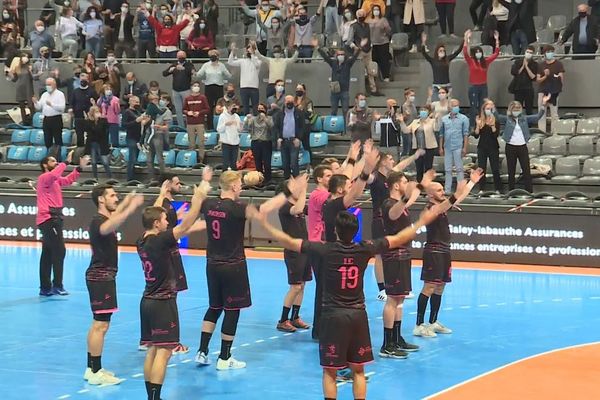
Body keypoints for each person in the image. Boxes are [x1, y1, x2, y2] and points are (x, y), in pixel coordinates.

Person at [255, 203, 440, 400]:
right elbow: (400, 238)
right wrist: (422, 220)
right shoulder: (364, 248)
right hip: (357, 315)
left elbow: (289, 241)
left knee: (329, 372)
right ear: (356, 231)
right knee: (358, 371)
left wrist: (264, 223)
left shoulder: (324, 249)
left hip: (332, 317)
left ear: (335, 230)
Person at [194, 171, 297, 369]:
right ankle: (224, 357)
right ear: (233, 186)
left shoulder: (208, 205)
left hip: (212, 264)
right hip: (233, 265)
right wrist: (287, 193)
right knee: (232, 310)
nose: (241, 186)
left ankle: (202, 350)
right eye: (239, 184)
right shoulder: (237, 208)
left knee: (214, 307)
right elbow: (265, 209)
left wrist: (205, 180)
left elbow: (198, 196)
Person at [138, 182, 209, 400]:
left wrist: (160, 197)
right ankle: (156, 397)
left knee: (152, 349)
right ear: (157, 224)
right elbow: (186, 225)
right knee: (164, 351)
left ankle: (150, 396)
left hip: (147, 300)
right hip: (162, 303)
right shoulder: (160, 241)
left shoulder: (142, 239)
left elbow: (156, 216)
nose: (168, 221)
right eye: (165, 219)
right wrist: (198, 198)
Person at [84, 185, 144, 385]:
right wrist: (130, 208)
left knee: (98, 324)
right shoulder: (98, 221)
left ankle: (91, 368)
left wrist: (127, 200)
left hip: (102, 277)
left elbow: (115, 216)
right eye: (112, 196)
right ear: (101, 200)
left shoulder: (104, 217)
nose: (115, 198)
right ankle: (95, 371)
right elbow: (111, 224)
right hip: (101, 277)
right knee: (101, 325)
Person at [413, 168, 483, 337]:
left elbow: (456, 199)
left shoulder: (443, 205)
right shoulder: (430, 208)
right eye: (438, 190)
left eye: (443, 189)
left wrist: (472, 182)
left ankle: (433, 321)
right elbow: (449, 202)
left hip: (444, 251)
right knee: (429, 286)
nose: (442, 192)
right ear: (430, 194)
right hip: (433, 251)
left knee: (441, 286)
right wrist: (455, 194)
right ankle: (419, 324)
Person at [379, 170, 433, 357]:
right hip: (393, 256)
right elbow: (394, 214)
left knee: (400, 298)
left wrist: (422, 184)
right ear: (396, 185)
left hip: (403, 255)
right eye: (404, 182)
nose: (406, 184)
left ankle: (396, 337)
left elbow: (409, 199)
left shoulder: (400, 203)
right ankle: (387, 344)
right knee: (393, 298)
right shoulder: (389, 204)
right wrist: (407, 196)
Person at [368, 151, 424, 302]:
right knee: (380, 254)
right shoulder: (375, 177)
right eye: (390, 158)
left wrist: (415, 155)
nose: (393, 161)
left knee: (397, 252)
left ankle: (398, 285)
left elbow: (402, 165)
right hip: (379, 218)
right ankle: (382, 289)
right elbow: (365, 176)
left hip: (394, 214)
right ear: (382, 162)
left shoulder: (392, 176)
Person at [37, 151, 90, 296]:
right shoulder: (44, 178)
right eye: (52, 161)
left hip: (54, 219)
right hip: (48, 219)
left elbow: (67, 180)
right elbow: (55, 174)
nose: (55, 163)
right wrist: (65, 162)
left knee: (47, 253)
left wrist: (79, 168)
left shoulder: (54, 180)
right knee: (59, 251)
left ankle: (45, 287)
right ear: (45, 165)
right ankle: (57, 285)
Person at [276, 175, 312, 332]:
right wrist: (303, 188)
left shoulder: (299, 205)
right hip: (293, 252)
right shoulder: (285, 206)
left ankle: (295, 317)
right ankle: (283, 320)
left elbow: (312, 209)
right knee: (295, 286)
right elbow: (296, 209)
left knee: (302, 285)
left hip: (305, 249)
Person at [496, 97, 549, 193]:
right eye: (514, 109)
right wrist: (491, 108)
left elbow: (537, 116)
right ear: (511, 110)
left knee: (526, 170)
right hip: (510, 147)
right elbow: (496, 116)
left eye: (518, 109)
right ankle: (511, 191)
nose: (516, 111)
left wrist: (543, 105)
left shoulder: (524, 119)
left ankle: (529, 192)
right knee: (511, 171)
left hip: (522, 147)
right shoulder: (507, 119)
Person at [315, 39, 359, 123]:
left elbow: (354, 57)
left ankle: (345, 129)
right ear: (336, 55)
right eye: (339, 54)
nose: (341, 56)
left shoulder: (348, 63)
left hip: (344, 91)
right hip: (334, 92)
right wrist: (318, 48)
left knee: (345, 111)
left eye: (342, 54)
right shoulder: (333, 63)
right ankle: (334, 128)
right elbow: (325, 57)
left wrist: (358, 49)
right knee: (333, 111)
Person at [463, 29, 500, 126]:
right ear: (474, 53)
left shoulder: (486, 62)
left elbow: (495, 54)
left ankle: (482, 123)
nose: (479, 53)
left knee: (483, 106)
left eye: (480, 52)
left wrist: (497, 41)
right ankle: (472, 126)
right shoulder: (471, 61)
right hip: (474, 87)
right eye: (477, 52)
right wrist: (466, 39)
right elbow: (465, 53)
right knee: (473, 107)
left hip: (483, 86)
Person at [399, 106, 438, 182]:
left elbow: (437, 128)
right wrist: (402, 122)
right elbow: (406, 131)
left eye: (425, 110)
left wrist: (436, 119)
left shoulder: (432, 121)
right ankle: (419, 185)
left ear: (428, 112)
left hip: (429, 148)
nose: (423, 112)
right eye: (422, 110)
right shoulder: (415, 122)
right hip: (417, 149)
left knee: (428, 168)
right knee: (419, 168)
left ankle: (428, 185)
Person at [420, 32, 463, 100]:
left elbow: (457, 52)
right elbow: (424, 53)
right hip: (436, 86)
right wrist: (423, 42)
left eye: (443, 50)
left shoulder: (447, 59)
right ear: (437, 52)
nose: (442, 52)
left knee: (447, 104)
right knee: (435, 103)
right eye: (440, 50)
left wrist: (465, 40)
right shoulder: (433, 61)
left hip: (447, 86)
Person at [196, 49, 232, 129]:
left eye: (214, 55)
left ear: (217, 56)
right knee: (209, 107)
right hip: (209, 87)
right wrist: (195, 73)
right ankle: (209, 126)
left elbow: (228, 75)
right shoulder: (206, 65)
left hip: (219, 87)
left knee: (219, 106)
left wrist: (228, 75)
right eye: (211, 55)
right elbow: (199, 75)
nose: (212, 57)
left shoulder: (221, 65)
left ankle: (220, 125)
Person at [439, 99, 469, 193]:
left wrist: (465, 147)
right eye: (454, 106)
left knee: (459, 169)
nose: (456, 107)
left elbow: (466, 134)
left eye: (457, 105)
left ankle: (461, 190)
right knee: (448, 170)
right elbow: (441, 134)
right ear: (449, 107)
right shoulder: (444, 119)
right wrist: (440, 147)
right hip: (447, 147)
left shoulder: (464, 118)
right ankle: (447, 190)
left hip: (458, 146)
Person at [348, 9, 381, 95]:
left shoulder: (367, 25)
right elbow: (349, 40)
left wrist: (371, 45)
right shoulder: (353, 26)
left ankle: (373, 90)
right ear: (357, 16)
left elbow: (370, 37)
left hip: (368, 50)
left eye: (363, 15)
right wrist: (356, 47)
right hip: (358, 51)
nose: (362, 16)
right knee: (360, 72)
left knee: (371, 71)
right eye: (360, 15)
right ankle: (361, 91)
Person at [32, 78, 65, 159]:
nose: (48, 86)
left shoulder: (60, 94)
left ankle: (58, 158)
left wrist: (52, 105)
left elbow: (62, 108)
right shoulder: (44, 94)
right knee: (47, 139)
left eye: (49, 84)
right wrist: (35, 102)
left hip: (56, 119)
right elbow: (39, 107)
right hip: (46, 119)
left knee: (57, 139)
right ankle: (49, 158)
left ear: (54, 85)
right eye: (46, 84)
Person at [274, 95, 306, 179]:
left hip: (294, 141)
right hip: (283, 141)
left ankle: (297, 182)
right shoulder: (280, 114)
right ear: (284, 102)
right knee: (285, 164)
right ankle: (287, 183)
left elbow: (302, 127)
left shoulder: (299, 113)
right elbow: (276, 127)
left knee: (294, 163)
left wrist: (299, 138)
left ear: (294, 103)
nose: (289, 104)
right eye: (288, 102)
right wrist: (278, 138)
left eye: (291, 102)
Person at [474, 100, 502, 193]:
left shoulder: (496, 121)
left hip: (493, 147)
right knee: (481, 169)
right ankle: (481, 189)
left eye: (490, 109)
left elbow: (496, 135)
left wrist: (493, 126)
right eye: (487, 109)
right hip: (482, 147)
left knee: (495, 169)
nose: (488, 110)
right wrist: (478, 126)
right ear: (483, 109)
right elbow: (476, 135)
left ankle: (498, 189)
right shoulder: (479, 120)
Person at [162, 50, 196, 128]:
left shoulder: (189, 64)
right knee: (178, 110)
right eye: (179, 57)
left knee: (188, 109)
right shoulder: (174, 65)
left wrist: (184, 69)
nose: (181, 58)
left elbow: (193, 72)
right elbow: (164, 74)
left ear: (185, 57)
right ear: (177, 57)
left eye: (182, 56)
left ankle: (190, 125)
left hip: (186, 90)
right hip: (175, 91)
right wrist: (169, 70)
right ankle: (181, 126)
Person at [228, 41, 262, 115]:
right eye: (248, 49)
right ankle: (246, 123)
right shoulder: (243, 61)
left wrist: (252, 54)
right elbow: (230, 62)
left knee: (255, 107)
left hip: (254, 87)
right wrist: (232, 51)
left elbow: (256, 65)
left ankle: (255, 123)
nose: (248, 51)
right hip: (244, 87)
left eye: (251, 49)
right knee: (245, 107)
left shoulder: (258, 60)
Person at [536, 45, 565, 133]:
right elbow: (538, 80)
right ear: (544, 54)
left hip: (554, 92)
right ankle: (541, 133)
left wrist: (557, 86)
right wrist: (545, 76)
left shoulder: (558, 64)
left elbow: (561, 78)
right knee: (541, 113)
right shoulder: (541, 65)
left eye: (551, 51)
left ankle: (554, 133)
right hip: (542, 91)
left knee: (554, 114)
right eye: (548, 52)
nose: (550, 53)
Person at [122, 95, 150, 181]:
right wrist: (136, 121)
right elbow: (124, 125)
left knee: (135, 159)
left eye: (138, 102)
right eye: (135, 102)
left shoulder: (139, 111)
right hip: (131, 137)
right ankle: (129, 179)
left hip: (139, 138)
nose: (137, 104)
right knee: (132, 159)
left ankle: (134, 178)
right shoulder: (127, 112)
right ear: (130, 102)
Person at [245, 103, 274, 184]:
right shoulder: (254, 119)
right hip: (255, 142)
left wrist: (265, 119)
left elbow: (272, 127)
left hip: (266, 142)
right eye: (258, 108)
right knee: (258, 162)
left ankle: (268, 179)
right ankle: (259, 180)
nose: (260, 110)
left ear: (265, 109)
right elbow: (248, 129)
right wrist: (248, 121)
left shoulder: (269, 118)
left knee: (267, 163)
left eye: (262, 108)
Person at [183, 81, 210, 161]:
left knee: (201, 142)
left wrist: (199, 113)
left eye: (198, 86)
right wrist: (188, 112)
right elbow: (184, 109)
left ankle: (201, 159)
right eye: (195, 86)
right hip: (190, 123)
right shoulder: (187, 98)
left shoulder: (203, 97)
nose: (196, 87)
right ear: (191, 87)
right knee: (191, 143)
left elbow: (207, 109)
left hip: (200, 122)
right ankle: (192, 159)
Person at [69, 72, 97, 148]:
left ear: (88, 80)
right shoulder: (75, 91)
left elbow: (96, 104)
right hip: (78, 117)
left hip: (89, 117)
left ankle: (88, 152)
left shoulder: (92, 91)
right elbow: (71, 102)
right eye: (82, 79)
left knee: (90, 135)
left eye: (85, 79)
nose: (83, 81)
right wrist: (71, 109)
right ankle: (80, 152)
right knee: (79, 136)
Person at [509, 45, 538, 115]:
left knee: (529, 108)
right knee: (517, 108)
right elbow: (514, 72)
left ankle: (529, 124)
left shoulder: (534, 64)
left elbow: (533, 77)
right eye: (527, 52)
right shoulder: (518, 62)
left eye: (530, 52)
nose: (528, 54)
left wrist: (526, 67)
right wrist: (523, 66)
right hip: (518, 88)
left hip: (528, 88)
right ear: (525, 52)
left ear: (533, 54)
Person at [85, 106, 112, 179]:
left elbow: (100, 131)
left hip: (102, 143)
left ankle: (110, 177)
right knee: (93, 162)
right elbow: (90, 133)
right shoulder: (88, 122)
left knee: (105, 162)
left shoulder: (103, 121)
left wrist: (99, 121)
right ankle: (95, 178)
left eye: (98, 111)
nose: (98, 113)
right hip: (92, 143)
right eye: (96, 112)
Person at [367, 4, 392, 82]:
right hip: (373, 43)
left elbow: (388, 30)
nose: (376, 11)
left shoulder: (383, 20)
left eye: (377, 10)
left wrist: (385, 33)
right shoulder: (369, 21)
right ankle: (376, 77)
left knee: (384, 60)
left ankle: (386, 76)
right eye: (374, 10)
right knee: (374, 60)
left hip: (383, 42)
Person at [8, 53, 33, 126]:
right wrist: (11, 75)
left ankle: (32, 121)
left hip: (28, 87)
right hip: (20, 88)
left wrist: (31, 71)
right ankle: (24, 121)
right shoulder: (17, 67)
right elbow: (14, 79)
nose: (25, 58)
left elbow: (32, 78)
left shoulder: (29, 67)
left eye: (26, 57)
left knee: (31, 105)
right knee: (22, 106)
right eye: (24, 57)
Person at [217, 102, 243, 170]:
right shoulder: (222, 116)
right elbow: (219, 129)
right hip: (226, 142)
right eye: (233, 106)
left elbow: (239, 130)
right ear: (228, 107)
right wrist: (226, 124)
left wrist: (241, 126)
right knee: (225, 163)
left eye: (235, 106)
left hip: (235, 142)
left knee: (234, 163)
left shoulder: (236, 116)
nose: (234, 108)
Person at [97, 83, 121, 149]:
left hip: (113, 121)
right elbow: (99, 110)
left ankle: (115, 153)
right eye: (107, 89)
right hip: (104, 121)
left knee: (114, 140)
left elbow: (117, 112)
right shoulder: (100, 100)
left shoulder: (115, 99)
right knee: (104, 139)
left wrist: (116, 105)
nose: (109, 91)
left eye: (110, 89)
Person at [401, 88, 418, 156]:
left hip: (413, 129)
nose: (413, 97)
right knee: (407, 148)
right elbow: (401, 118)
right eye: (411, 95)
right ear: (406, 96)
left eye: (413, 95)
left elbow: (415, 116)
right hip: (407, 130)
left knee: (412, 148)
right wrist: (405, 115)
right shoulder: (404, 106)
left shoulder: (413, 106)